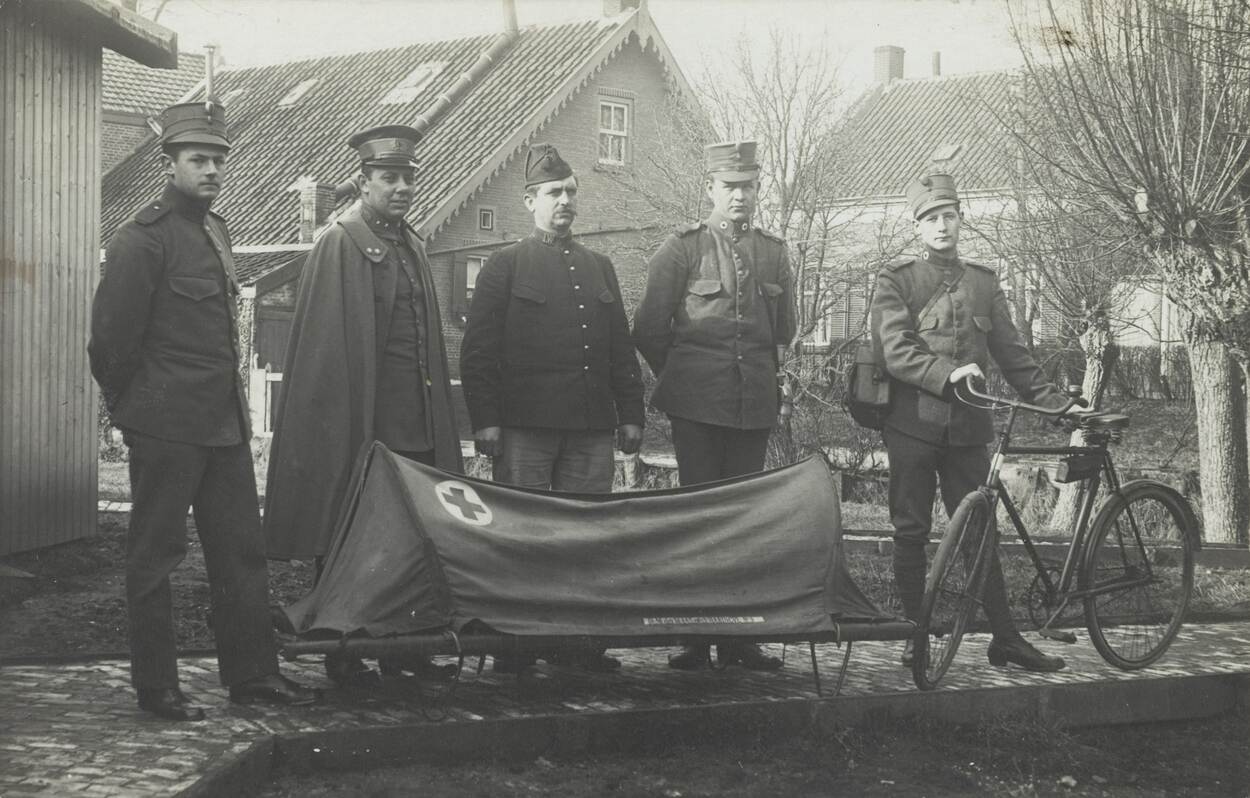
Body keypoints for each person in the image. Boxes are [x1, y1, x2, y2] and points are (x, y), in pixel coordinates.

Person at [89, 101, 319, 721]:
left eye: (219, 159)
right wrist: (132, 411)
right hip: (165, 426)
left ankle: (253, 675)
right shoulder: (141, 238)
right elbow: (110, 341)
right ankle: (157, 685)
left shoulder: (217, 231)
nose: (212, 169)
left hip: (223, 425)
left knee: (241, 552)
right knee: (155, 556)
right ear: (169, 164)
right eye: (199, 159)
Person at [263, 124, 463, 686]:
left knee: (411, 534)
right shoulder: (340, 243)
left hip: (415, 421)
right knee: (347, 529)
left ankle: (406, 649)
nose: (401, 188)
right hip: (360, 421)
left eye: (407, 178)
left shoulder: (412, 244)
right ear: (363, 181)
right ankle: (343, 648)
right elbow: (325, 353)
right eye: (388, 178)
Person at [460, 142, 644, 675]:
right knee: (521, 535)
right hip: (525, 429)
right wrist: (486, 421)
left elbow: (619, 347)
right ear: (529, 201)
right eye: (553, 192)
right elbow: (478, 352)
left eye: (570, 192)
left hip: (589, 429)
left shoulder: (600, 267)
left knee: (584, 537)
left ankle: (576, 645)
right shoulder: (504, 266)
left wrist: (631, 413)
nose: (565, 201)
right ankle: (514, 646)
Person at [871, 173, 1066, 672]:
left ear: (961, 220)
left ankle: (1006, 639)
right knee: (910, 531)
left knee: (981, 532)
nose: (941, 226)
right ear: (917, 227)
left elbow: (1013, 354)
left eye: (949, 216)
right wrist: (946, 373)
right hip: (912, 426)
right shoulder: (898, 279)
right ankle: (915, 636)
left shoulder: (983, 282)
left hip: (968, 431)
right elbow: (895, 349)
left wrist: (1057, 405)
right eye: (931, 219)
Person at [632, 140, 795, 672]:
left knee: (744, 520)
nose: (739, 195)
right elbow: (648, 328)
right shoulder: (681, 250)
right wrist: (686, 375)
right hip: (697, 409)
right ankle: (696, 639)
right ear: (711, 189)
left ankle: (740, 641)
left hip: (753, 406)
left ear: (757, 189)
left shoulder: (774, 253)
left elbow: (784, 330)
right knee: (699, 519)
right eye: (729, 186)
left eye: (748, 186)